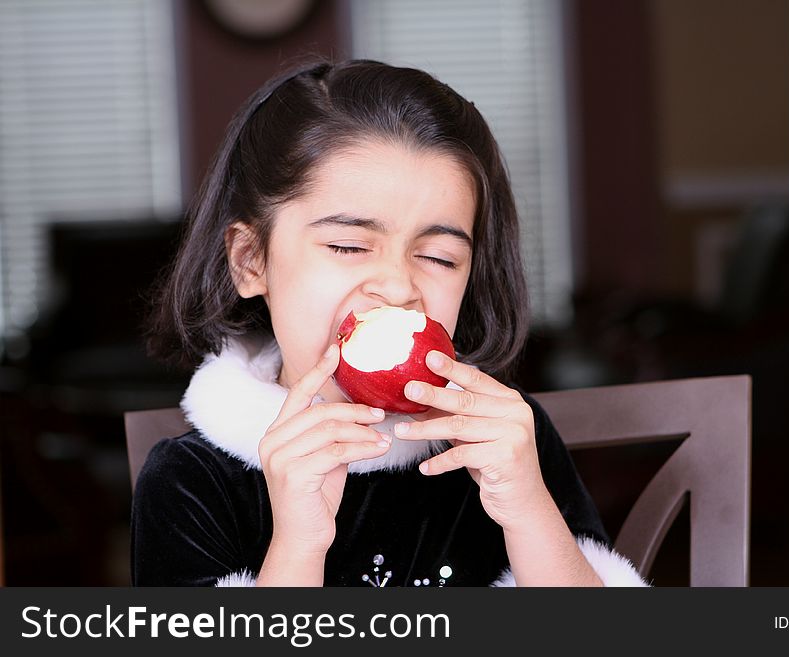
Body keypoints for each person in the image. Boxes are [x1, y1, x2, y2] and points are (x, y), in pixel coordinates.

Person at [132, 59, 648, 587]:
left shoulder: (508, 442)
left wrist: (528, 511)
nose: (399, 287)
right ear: (250, 261)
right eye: (348, 246)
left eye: (440, 258)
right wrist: (300, 545)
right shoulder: (191, 482)